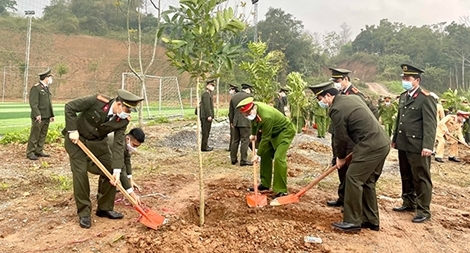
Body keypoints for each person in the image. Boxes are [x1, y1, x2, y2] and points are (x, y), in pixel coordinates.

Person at [309, 81, 390, 232]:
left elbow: (340, 137)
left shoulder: (337, 109)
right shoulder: (352, 98)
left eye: (320, 99)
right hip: (382, 142)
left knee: (353, 178)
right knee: (367, 181)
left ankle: (353, 221)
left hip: (370, 145)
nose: (321, 102)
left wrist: (340, 157)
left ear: (328, 95)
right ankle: (371, 220)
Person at [63, 89, 144, 229]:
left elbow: (119, 146)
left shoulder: (122, 121)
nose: (128, 114)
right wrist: (72, 130)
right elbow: (69, 107)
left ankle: (104, 208)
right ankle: (84, 213)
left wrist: (120, 175)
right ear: (119, 104)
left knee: (112, 171)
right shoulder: (97, 101)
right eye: (127, 110)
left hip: (98, 144)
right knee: (80, 174)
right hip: (76, 141)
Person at [391, 64, 437, 223]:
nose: (404, 81)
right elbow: (400, 120)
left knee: (421, 177)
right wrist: (395, 138)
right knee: (406, 174)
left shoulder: (426, 98)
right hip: (404, 142)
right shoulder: (404, 96)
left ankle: (423, 210)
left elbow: (430, 124)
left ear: (417, 80)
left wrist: (428, 146)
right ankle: (408, 202)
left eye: (407, 78)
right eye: (403, 78)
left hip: (418, 145)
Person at [237, 96, 296, 198]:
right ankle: (265, 184)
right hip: (273, 132)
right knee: (265, 154)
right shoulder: (254, 109)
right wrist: (254, 134)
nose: (248, 116)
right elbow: (254, 121)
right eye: (245, 115)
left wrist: (258, 154)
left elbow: (265, 138)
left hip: (285, 131)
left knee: (278, 158)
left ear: (253, 109)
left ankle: (281, 190)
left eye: (248, 114)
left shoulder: (266, 116)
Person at [26, 68, 55, 160]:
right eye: (50, 77)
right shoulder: (36, 88)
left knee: (43, 134)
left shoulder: (46, 88)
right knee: (35, 134)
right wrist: (37, 114)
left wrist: (51, 115)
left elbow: (48, 103)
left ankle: (39, 150)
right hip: (39, 116)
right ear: (46, 78)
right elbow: (33, 103)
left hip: (46, 116)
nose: (51, 79)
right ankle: (30, 152)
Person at [108, 128, 146, 197]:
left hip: (106, 156)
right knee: (113, 171)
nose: (135, 148)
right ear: (128, 139)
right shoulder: (118, 143)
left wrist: (130, 180)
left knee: (116, 169)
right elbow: (120, 166)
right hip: (92, 158)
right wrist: (131, 192)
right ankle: (106, 201)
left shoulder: (123, 141)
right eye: (134, 145)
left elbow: (127, 160)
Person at [228, 85, 253, 166]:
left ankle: (233, 159)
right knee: (245, 141)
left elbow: (231, 111)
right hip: (245, 122)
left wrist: (231, 121)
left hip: (235, 121)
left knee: (235, 141)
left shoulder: (234, 97)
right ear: (248, 89)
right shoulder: (249, 97)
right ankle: (243, 160)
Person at [200, 79, 215, 151]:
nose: (213, 87)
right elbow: (207, 106)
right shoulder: (206, 94)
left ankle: (205, 145)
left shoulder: (208, 94)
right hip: (205, 117)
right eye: (212, 85)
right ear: (207, 86)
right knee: (205, 132)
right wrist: (209, 115)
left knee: (207, 132)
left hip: (206, 116)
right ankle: (204, 147)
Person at [226, 84, 240, 152]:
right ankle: (230, 147)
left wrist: (232, 120)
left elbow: (233, 110)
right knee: (232, 134)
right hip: (234, 118)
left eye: (230, 89)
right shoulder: (235, 97)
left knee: (234, 134)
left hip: (235, 118)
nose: (230, 91)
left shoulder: (235, 97)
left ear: (234, 90)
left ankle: (231, 148)